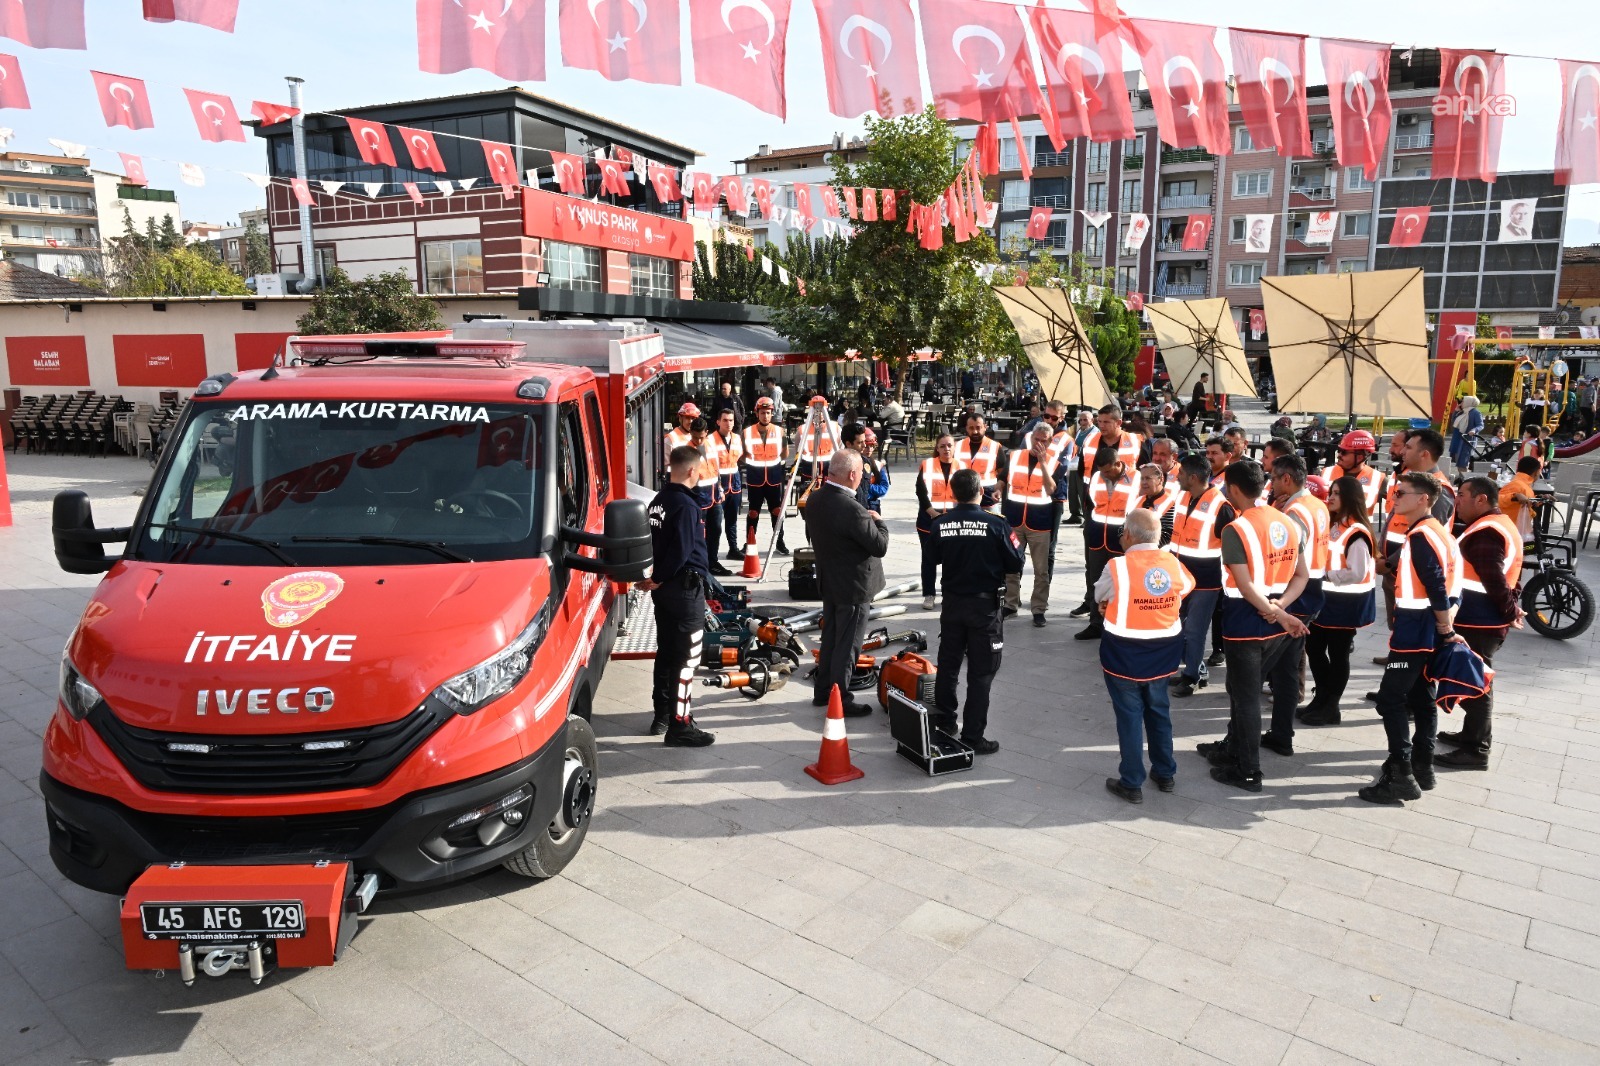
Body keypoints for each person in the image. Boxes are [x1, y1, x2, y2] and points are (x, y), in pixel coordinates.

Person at [1197, 461, 1310, 793]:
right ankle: (1232, 748)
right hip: (1276, 625)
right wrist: (1282, 608)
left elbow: (1246, 587)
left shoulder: (1237, 528)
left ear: (1233, 490)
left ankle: (1248, 770)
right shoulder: (1288, 522)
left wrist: (1275, 612)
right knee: (1242, 692)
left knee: (1245, 697)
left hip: (1246, 623)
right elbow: (1301, 575)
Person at [1359, 472, 1463, 804]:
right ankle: (1423, 766)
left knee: (1390, 699)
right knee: (1423, 697)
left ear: (1424, 499)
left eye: (1401, 493)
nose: (1394, 498)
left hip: (1417, 630)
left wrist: (1446, 629)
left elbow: (1436, 586)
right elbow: (1455, 586)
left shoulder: (1421, 536)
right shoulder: (1440, 534)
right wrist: (1446, 627)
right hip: (1428, 629)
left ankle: (1401, 773)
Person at [1097, 508, 1196, 803]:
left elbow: (1101, 596)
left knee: (1129, 717)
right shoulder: (1174, 563)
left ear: (1127, 534)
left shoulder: (1117, 566)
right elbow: (1186, 588)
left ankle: (1131, 781)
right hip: (1164, 652)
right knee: (1159, 710)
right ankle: (1165, 772)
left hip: (1123, 653)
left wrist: (1110, 606)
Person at [929, 468, 1025, 754]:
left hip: (953, 604)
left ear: (952, 493)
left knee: (948, 666)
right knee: (982, 672)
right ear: (980, 492)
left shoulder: (940, 524)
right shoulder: (997, 525)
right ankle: (973, 736)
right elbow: (1015, 563)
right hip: (984, 608)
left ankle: (945, 722)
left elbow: (931, 558)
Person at [1437, 476, 1524, 770]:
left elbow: (1495, 579)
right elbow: (1508, 575)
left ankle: (1476, 750)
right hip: (1482, 618)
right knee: (1474, 678)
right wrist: (1513, 608)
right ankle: (1470, 735)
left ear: (1481, 500)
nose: (1456, 500)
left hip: (1479, 621)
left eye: (1461, 495)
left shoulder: (1487, 532)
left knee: (1476, 683)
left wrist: (1512, 612)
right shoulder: (1496, 525)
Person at [639, 446, 717, 746]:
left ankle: (663, 714)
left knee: (667, 653)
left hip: (666, 591)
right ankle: (680, 725)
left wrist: (654, 578)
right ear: (690, 470)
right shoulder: (686, 505)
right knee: (687, 658)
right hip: (683, 589)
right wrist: (658, 578)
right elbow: (682, 550)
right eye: (699, 470)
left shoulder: (659, 501)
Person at [804, 450, 889, 717]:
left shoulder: (816, 498)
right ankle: (841, 697)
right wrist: (879, 521)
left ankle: (822, 691)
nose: (863, 478)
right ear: (852, 475)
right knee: (849, 644)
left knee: (830, 639)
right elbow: (880, 545)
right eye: (862, 473)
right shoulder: (853, 509)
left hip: (830, 581)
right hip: (854, 587)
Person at [1298, 476, 1376, 725]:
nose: (1330, 497)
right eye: (1330, 492)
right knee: (1315, 649)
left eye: (1337, 493)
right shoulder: (1334, 524)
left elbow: (1357, 571)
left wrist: (1327, 576)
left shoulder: (1357, 532)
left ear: (1350, 498)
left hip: (1345, 605)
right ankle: (1321, 699)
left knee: (1338, 654)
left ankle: (1331, 705)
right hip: (1327, 601)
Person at [1266, 453, 1329, 747]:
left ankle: (1278, 733)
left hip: (1295, 593)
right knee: (1288, 668)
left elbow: (1289, 558)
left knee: (1274, 666)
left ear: (1287, 480)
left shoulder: (1294, 513)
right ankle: (1282, 734)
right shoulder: (1316, 504)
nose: (1272, 483)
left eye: (1274, 478)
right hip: (1312, 590)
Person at [1170, 453, 1234, 698]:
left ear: (1193, 477)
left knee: (1194, 631)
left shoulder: (1221, 507)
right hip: (1181, 578)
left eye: (1181, 473)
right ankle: (1197, 669)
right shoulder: (1183, 496)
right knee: (1180, 628)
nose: (1177, 476)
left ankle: (1193, 677)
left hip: (1205, 583)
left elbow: (1231, 548)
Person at [1073, 446, 1138, 639]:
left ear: (1119, 463)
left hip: (1122, 538)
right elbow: (1092, 503)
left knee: (1120, 583)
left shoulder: (1136, 477)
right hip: (1097, 535)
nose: (1105, 475)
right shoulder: (1097, 477)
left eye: (1108, 471)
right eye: (1102, 471)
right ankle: (1095, 624)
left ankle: (1117, 622)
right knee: (1096, 581)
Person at [1003, 422, 1059, 626]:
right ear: (1031, 438)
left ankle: (1038, 609)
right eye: (1037, 439)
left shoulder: (1055, 462)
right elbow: (1003, 478)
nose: (1039, 444)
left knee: (1041, 570)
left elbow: (1052, 489)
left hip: (1039, 522)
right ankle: (1010, 604)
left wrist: (1043, 463)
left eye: (1044, 441)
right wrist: (999, 489)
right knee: (1011, 565)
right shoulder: (1015, 456)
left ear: (1050, 442)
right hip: (1014, 519)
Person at [917, 435, 969, 611]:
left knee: (953, 559)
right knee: (928, 558)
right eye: (942, 446)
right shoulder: (927, 465)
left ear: (954, 448)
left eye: (949, 446)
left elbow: (967, 493)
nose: (946, 449)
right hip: (929, 520)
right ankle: (929, 594)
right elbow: (921, 492)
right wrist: (932, 512)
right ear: (937, 448)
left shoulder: (962, 466)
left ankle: (950, 593)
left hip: (954, 520)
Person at [742, 396, 789, 556]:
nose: (765, 416)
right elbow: (741, 454)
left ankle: (779, 542)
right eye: (763, 413)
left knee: (776, 511)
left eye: (768, 413)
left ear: (772, 413)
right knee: (753, 512)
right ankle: (749, 542)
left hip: (774, 478)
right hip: (755, 478)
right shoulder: (747, 432)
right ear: (757, 413)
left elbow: (785, 453)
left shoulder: (779, 431)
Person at [687, 419, 732, 576]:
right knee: (698, 534)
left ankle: (712, 561)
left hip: (714, 497)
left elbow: (716, 469)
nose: (698, 440)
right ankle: (699, 564)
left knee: (716, 530)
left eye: (701, 437)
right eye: (695, 437)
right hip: (698, 499)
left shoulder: (710, 446)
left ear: (706, 433)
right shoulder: (686, 451)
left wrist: (720, 488)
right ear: (691, 433)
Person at [1322, 429, 1386, 516]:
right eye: (1339, 450)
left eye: (1344, 452)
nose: (1339, 455)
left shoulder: (1378, 478)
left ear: (1359, 457)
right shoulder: (1326, 473)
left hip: (1358, 529)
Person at [712, 408, 744, 562]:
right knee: (715, 524)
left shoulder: (737, 438)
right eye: (725, 420)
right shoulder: (710, 440)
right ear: (718, 422)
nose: (728, 423)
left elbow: (737, 459)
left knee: (732, 520)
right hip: (718, 485)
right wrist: (718, 487)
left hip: (735, 484)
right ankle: (712, 556)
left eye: (731, 420)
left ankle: (733, 549)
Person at [955, 412, 1006, 509]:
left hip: (988, 498)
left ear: (985, 427)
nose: (975, 431)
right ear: (966, 428)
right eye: (971, 428)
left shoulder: (995, 446)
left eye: (978, 427)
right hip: (962, 497)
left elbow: (1003, 474)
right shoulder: (957, 446)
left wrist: (999, 490)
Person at [794, 396, 839, 485]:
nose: (819, 413)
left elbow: (840, 446)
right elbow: (798, 449)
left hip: (829, 466)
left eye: (822, 410)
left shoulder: (835, 427)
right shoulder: (802, 429)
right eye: (816, 409)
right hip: (808, 467)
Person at [1498, 455, 1542, 542]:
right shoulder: (1517, 485)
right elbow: (1498, 500)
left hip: (1515, 529)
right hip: (1509, 531)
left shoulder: (1523, 484)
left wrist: (1539, 499)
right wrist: (1515, 495)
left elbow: (1526, 501)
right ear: (1536, 472)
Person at [1136, 462, 1177, 545]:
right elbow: (1125, 527)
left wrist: (1142, 547)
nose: (1144, 482)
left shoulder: (1170, 503)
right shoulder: (1138, 500)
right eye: (1142, 478)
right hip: (1134, 552)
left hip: (1156, 554)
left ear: (1160, 479)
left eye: (1148, 478)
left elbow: (1167, 535)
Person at [1065, 409, 1094, 525]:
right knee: (1072, 490)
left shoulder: (1094, 432)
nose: (1082, 422)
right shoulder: (1079, 431)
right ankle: (1075, 514)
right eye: (1080, 420)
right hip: (1074, 463)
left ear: (1091, 420)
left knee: (1083, 491)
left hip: (1085, 464)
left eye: (1085, 420)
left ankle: (1087, 517)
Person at [1450, 396, 1484, 475]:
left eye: (1463, 402)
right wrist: (1456, 411)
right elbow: (1454, 421)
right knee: (1458, 459)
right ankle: (1462, 476)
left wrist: (1474, 430)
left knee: (1463, 461)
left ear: (1468, 402)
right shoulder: (1462, 411)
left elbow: (1480, 425)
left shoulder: (1475, 413)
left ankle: (1464, 477)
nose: (1461, 403)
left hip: (1467, 440)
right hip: (1458, 438)